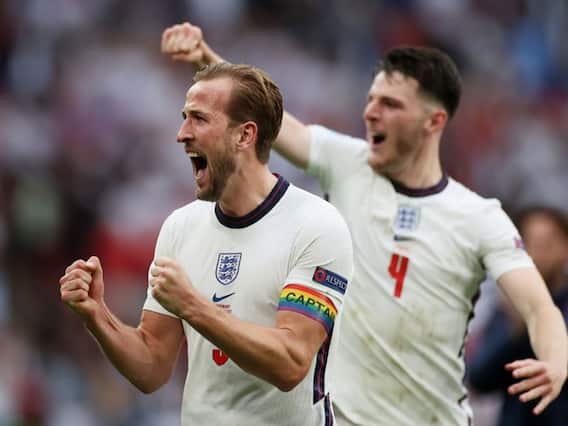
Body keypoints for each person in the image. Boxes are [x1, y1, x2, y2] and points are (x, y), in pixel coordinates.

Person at [160, 23, 568, 425]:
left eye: (390, 104)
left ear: (434, 122)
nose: (370, 112)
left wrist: (555, 362)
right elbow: (265, 122)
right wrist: (206, 60)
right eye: (371, 100)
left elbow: (539, 308)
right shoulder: (347, 164)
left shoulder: (479, 215)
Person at [58, 62, 354, 426]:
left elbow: (291, 363)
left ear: (244, 135)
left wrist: (194, 306)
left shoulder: (316, 225)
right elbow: (152, 367)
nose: (181, 134)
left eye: (199, 119)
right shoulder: (180, 227)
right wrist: (97, 315)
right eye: (184, 118)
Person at [468, 206, 568, 426]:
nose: (538, 254)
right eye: (530, 245)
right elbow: (479, 378)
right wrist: (515, 330)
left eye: (547, 244)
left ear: (565, 248)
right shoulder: (510, 306)